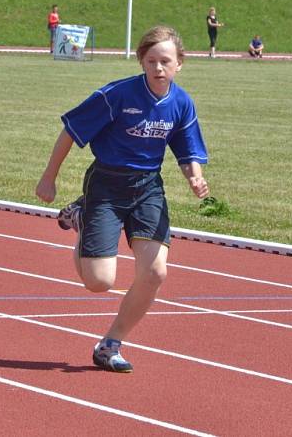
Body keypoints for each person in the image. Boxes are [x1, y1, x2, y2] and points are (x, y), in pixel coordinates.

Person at [36, 25, 209, 373]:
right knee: (99, 281)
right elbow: (71, 131)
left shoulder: (181, 102)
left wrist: (195, 176)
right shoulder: (117, 95)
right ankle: (83, 216)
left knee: (156, 271)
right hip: (107, 185)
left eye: (166, 61)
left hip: (148, 188)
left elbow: (187, 149)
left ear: (180, 64)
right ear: (141, 62)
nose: (158, 68)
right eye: (151, 61)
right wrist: (49, 176)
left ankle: (111, 342)